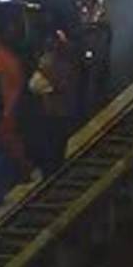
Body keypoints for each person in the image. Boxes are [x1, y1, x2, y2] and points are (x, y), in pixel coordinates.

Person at [0, 29, 35, 186]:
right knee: (4, 142)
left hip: (2, 108)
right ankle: (23, 171)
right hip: (8, 107)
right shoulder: (11, 58)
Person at [27, 31, 79, 175]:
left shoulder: (53, 64)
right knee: (56, 149)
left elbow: (35, 86)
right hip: (60, 112)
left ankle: (51, 174)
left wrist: (48, 82)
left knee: (51, 149)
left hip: (53, 113)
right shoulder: (68, 64)